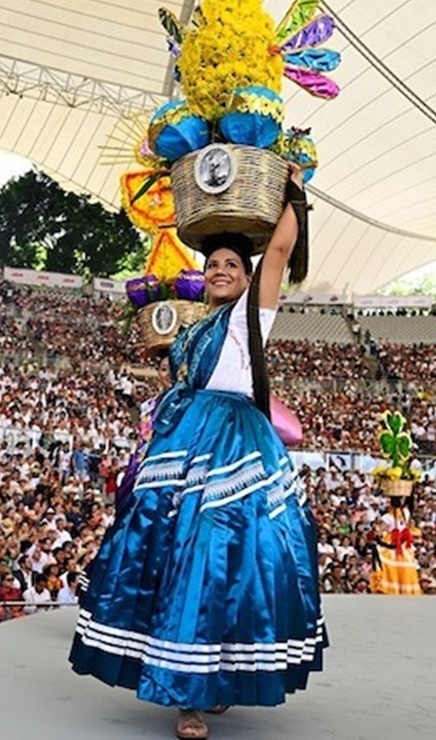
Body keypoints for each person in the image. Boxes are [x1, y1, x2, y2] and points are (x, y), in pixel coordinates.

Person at [69, 165, 324, 739]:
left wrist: (295, 194)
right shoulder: (189, 333)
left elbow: (280, 250)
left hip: (236, 447)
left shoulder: (252, 317)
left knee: (233, 560)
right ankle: (186, 692)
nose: (221, 270)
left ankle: (214, 676)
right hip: (182, 446)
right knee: (174, 555)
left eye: (232, 265)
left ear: (248, 277)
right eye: (212, 265)